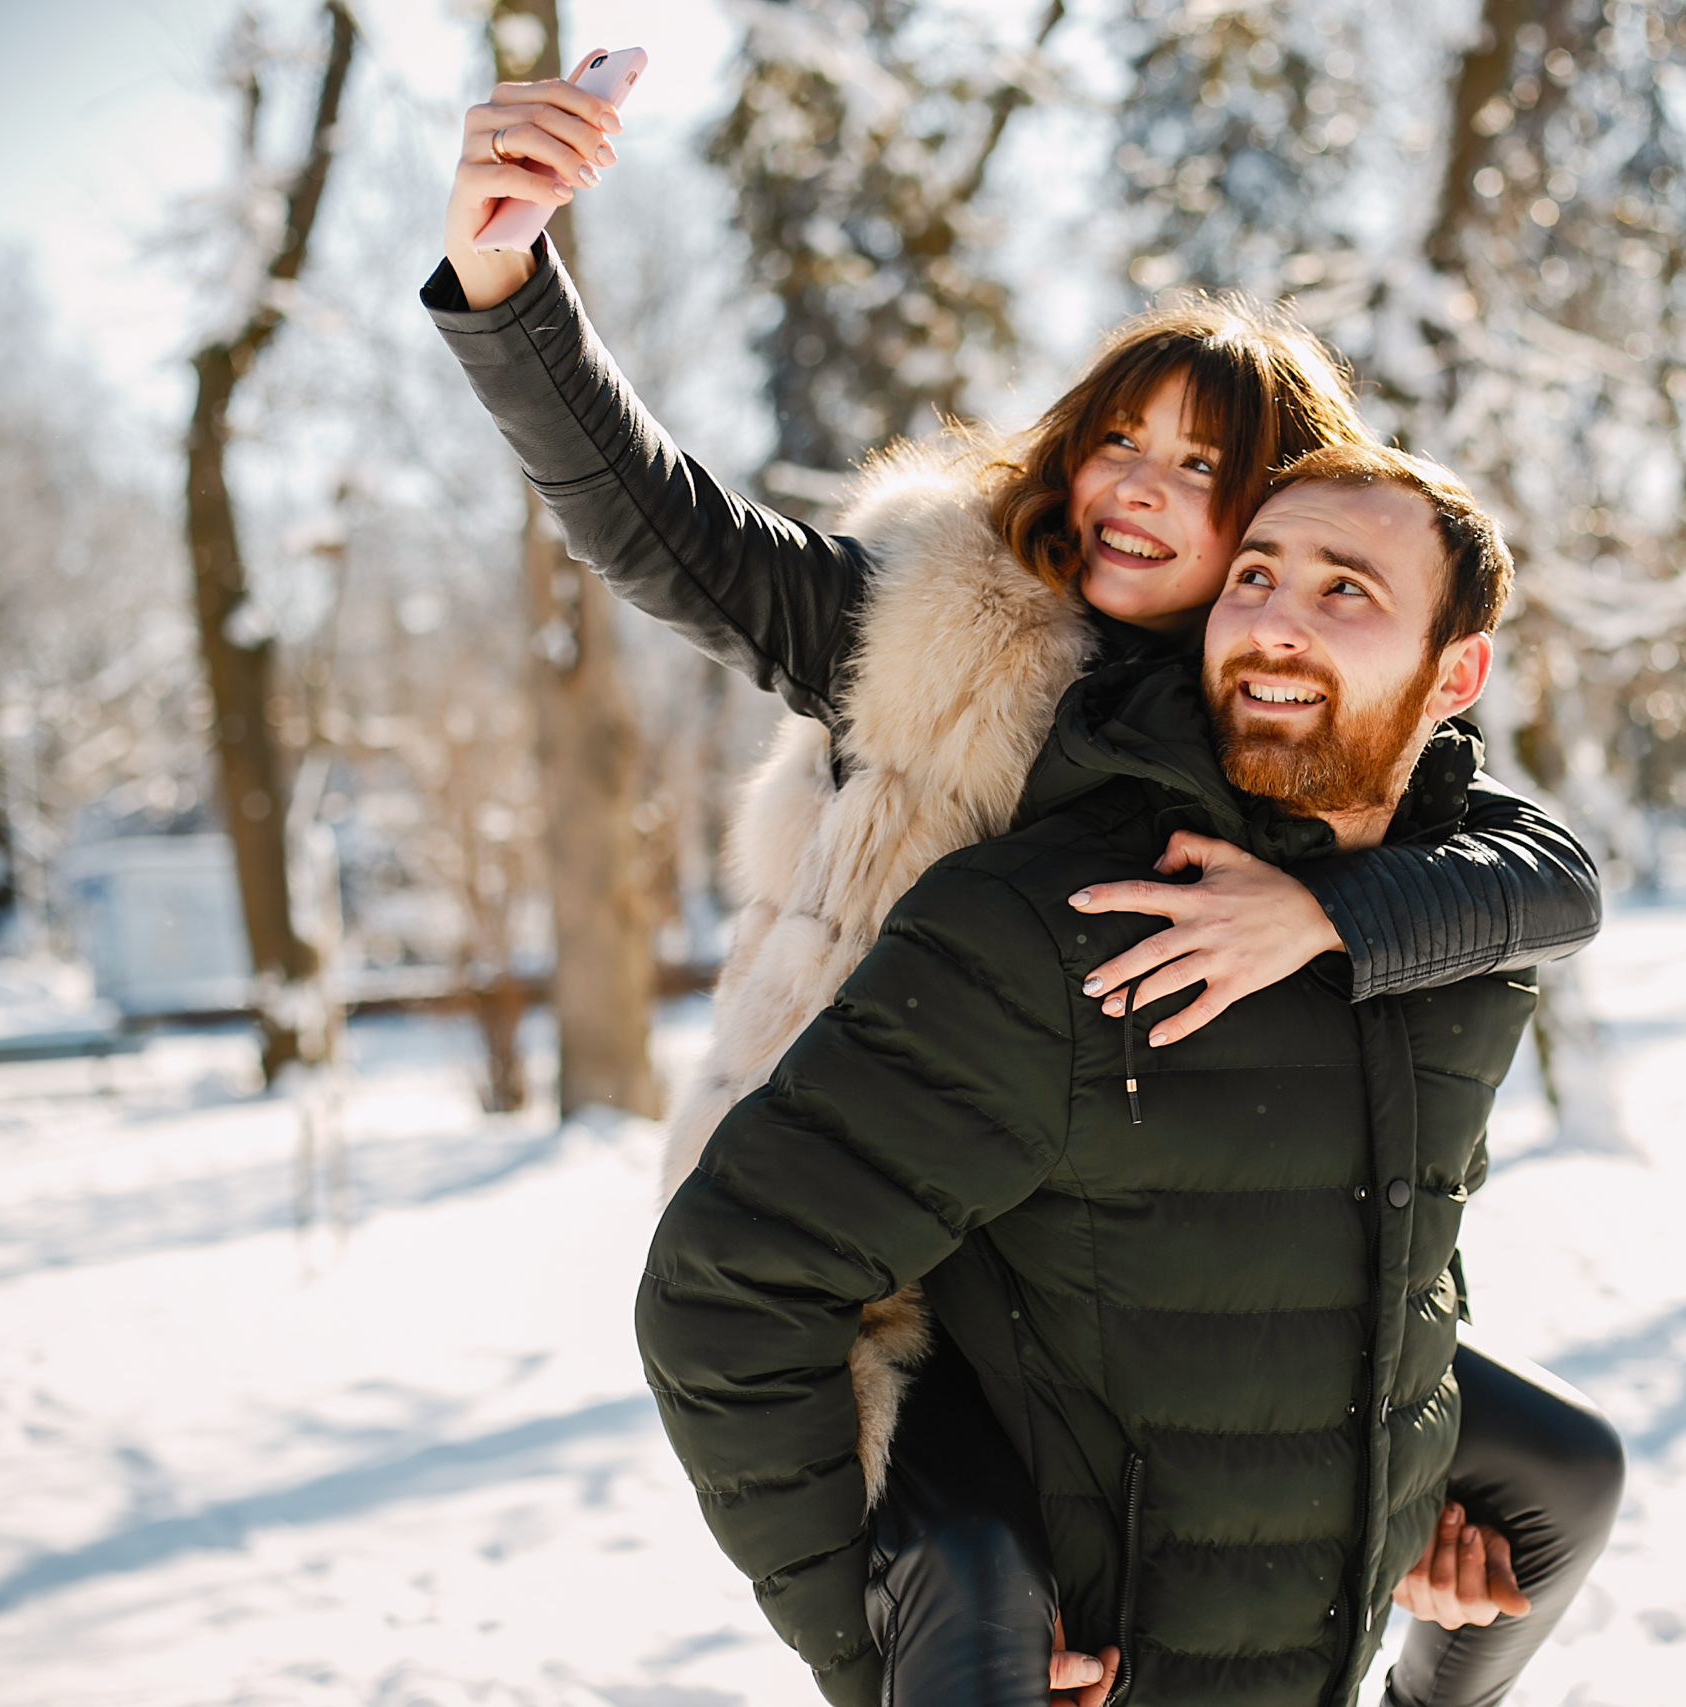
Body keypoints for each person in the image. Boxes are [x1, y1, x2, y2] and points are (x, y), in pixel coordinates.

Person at [424, 72, 1618, 1706]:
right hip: (900, 1254)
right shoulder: (948, 624)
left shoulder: (1301, 734)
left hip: (1112, 1249)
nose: (1135, 485)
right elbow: (671, 537)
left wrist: (1334, 917)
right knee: (979, 1587)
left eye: (1202, 474)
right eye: (1115, 436)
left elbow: (1541, 868)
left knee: (1558, 1475)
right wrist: (511, 290)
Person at [638, 448, 1618, 1707]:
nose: (1272, 622)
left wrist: (1400, 1487)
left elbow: (1398, 1231)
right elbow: (724, 1293)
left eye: (1345, 592)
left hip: (1300, 1639)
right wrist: (881, 1641)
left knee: (1572, 1474)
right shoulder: (1053, 924)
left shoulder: (1460, 949)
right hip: (1084, 1654)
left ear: (1456, 675)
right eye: (1254, 575)